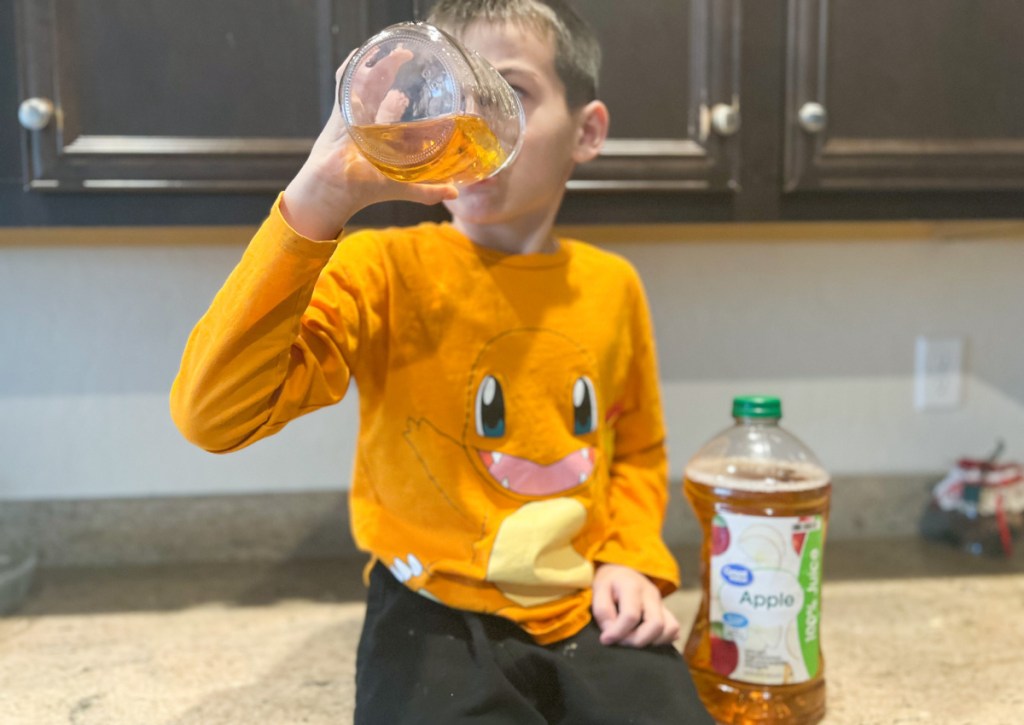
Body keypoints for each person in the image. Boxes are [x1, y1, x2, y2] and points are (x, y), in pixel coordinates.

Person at [171, 1, 712, 722]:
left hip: (586, 602)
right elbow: (213, 415)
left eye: (507, 94)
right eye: (450, 94)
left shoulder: (613, 286)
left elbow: (634, 452)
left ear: (587, 132)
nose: (472, 123)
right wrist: (318, 200)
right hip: (430, 613)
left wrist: (632, 558)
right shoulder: (382, 270)